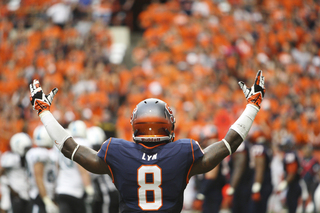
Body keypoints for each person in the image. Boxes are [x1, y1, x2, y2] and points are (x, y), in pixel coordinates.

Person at [29, 70, 265, 212]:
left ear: (135, 124)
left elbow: (70, 148)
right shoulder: (185, 152)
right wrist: (252, 106)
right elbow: (229, 144)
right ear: (169, 125)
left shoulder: (116, 150)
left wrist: (43, 111)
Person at [56, 120, 95, 213]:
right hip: (75, 191)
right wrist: (88, 188)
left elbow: (57, 166)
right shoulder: (83, 143)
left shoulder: (64, 143)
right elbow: (82, 168)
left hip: (61, 188)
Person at [26, 125, 59, 213]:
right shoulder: (40, 153)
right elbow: (38, 178)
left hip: (47, 195)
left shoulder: (45, 153)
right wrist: (47, 200)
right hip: (40, 196)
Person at [0, 133, 32, 213]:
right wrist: (8, 186)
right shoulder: (11, 158)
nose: (28, 151)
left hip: (26, 193)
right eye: (26, 148)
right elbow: (1, 172)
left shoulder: (25, 157)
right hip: (15, 194)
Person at [247, 130, 273, 213]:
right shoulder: (265, 148)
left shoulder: (258, 148)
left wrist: (256, 189)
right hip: (264, 183)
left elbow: (259, 169)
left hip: (260, 184)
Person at [276, 135, 302, 213]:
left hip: (294, 185)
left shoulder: (290, 155)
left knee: (291, 206)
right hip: (292, 185)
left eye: (285, 146)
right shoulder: (291, 154)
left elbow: (292, 172)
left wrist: (285, 183)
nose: (283, 148)